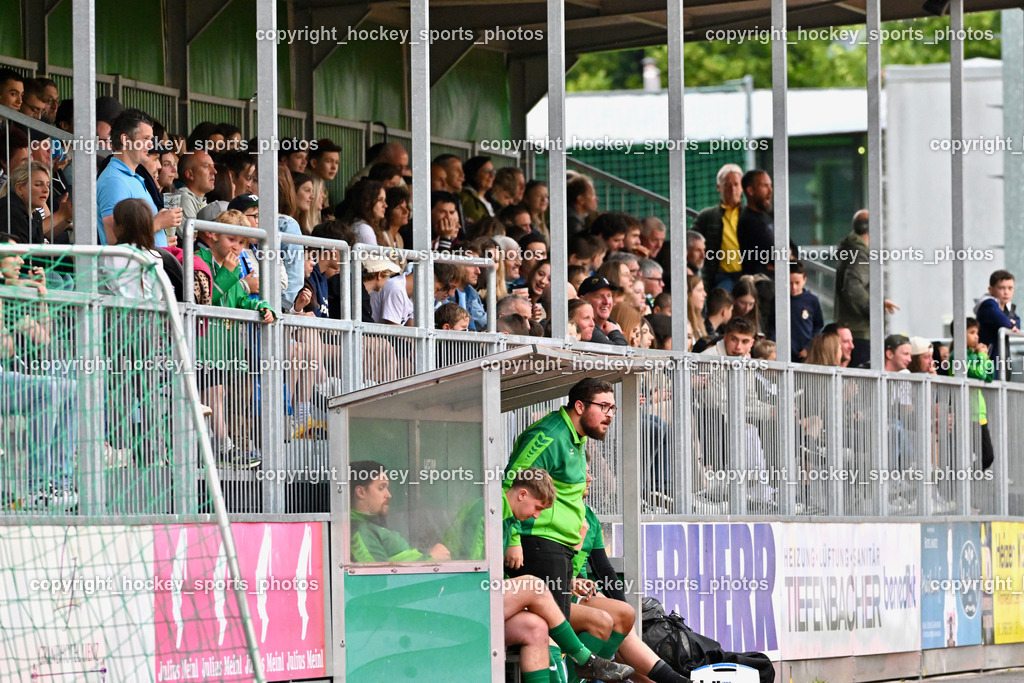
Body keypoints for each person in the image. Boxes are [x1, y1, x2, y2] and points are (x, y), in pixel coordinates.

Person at [503, 378, 616, 621]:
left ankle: (575, 660)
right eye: (604, 407)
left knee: (558, 628)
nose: (610, 415)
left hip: (560, 550)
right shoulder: (547, 436)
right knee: (550, 629)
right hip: (539, 545)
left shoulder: (579, 437)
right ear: (579, 407)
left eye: (612, 408)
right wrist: (513, 539)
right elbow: (511, 485)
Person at [0, 234, 77, 510]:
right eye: (13, 255)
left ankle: (60, 480)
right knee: (49, 388)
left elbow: (43, 339)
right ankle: (37, 485)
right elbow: (6, 348)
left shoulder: (9, 291)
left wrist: (38, 296)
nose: (22, 260)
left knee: (70, 387)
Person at [96, 108, 180, 247]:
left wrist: (161, 241)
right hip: (129, 268)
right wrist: (158, 223)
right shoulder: (114, 181)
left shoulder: (133, 177)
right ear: (125, 140)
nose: (151, 145)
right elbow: (114, 239)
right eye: (146, 139)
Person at [349, 460, 451, 562]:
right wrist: (431, 558)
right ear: (361, 492)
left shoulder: (373, 526)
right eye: (381, 488)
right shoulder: (360, 531)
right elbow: (375, 574)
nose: (388, 495)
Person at [835, 210, 898, 368]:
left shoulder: (851, 250)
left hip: (854, 330)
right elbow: (853, 287)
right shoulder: (860, 254)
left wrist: (880, 301)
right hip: (860, 333)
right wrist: (874, 308)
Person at [950, 318, 994, 470]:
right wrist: (982, 356)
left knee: (988, 456)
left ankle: (966, 481)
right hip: (965, 414)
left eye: (977, 333)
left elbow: (988, 376)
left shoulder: (974, 355)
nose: (976, 337)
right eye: (972, 333)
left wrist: (984, 357)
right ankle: (960, 484)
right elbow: (979, 374)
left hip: (979, 414)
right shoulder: (957, 356)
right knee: (965, 456)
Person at [693, 163, 743, 292]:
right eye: (727, 185)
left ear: (742, 187)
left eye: (736, 184)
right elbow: (691, 240)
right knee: (720, 301)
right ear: (718, 187)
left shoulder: (752, 215)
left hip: (747, 275)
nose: (732, 189)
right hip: (720, 276)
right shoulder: (707, 216)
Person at [974, 269, 1019, 377]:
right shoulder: (988, 304)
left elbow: (1017, 322)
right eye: (1001, 288)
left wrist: (1012, 323)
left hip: (1002, 359)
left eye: (1010, 288)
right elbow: (1003, 321)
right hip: (988, 359)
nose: (1006, 292)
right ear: (991, 289)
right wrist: (1010, 323)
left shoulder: (1008, 307)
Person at [736, 169, 775, 277]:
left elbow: (791, 246)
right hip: (760, 284)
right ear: (750, 191)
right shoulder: (748, 220)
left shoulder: (770, 215)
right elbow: (774, 255)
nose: (770, 190)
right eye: (764, 186)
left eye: (770, 185)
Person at [578, 276, 627, 346]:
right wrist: (615, 333)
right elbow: (620, 353)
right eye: (598, 296)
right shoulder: (587, 328)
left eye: (609, 296)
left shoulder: (613, 325)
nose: (606, 302)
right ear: (583, 300)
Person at [790, 261, 824, 362]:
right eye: (790, 283)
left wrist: (808, 347)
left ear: (804, 280)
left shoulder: (812, 300)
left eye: (797, 283)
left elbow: (818, 327)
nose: (793, 287)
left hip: (804, 353)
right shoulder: (779, 299)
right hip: (785, 351)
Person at [175, 148, 216, 220]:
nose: (214, 171)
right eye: (206, 166)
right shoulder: (183, 199)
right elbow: (190, 231)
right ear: (190, 174)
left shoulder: (200, 199)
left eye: (213, 166)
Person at [459, 156, 496, 225]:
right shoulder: (464, 196)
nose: (492, 176)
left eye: (493, 171)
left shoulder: (491, 200)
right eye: (487, 171)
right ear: (474, 174)